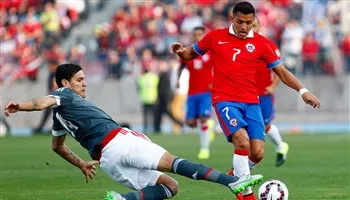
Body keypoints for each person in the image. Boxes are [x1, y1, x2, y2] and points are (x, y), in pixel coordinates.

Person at [4, 63, 263, 200]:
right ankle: (233, 182)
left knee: (170, 187)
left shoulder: (60, 117)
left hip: (108, 160)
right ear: (64, 83)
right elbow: (41, 102)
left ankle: (122, 199)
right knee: (174, 163)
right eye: (80, 80)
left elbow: (57, 147)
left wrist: (82, 163)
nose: (84, 84)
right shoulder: (63, 96)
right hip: (120, 141)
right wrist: (22, 106)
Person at [170, 2, 321, 199]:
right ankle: (246, 193)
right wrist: (181, 52)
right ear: (232, 19)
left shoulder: (261, 43)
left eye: (249, 23)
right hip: (224, 99)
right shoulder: (215, 37)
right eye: (240, 22)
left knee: (257, 153)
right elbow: (191, 53)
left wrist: (303, 91)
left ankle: (236, 173)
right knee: (242, 141)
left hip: (251, 101)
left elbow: (281, 72)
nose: (244, 27)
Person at [252, 18, 289, 167]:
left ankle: (280, 145)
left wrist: (273, 87)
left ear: (259, 26)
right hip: (246, 93)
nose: (250, 28)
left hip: (263, 93)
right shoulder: (239, 45)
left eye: (254, 25)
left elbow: (280, 70)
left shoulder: (268, 44)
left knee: (265, 125)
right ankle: (246, 165)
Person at [178, 26, 215, 160]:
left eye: (200, 34)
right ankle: (208, 127)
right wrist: (177, 80)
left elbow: (218, 67)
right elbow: (181, 65)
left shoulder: (210, 52)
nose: (197, 36)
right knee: (191, 123)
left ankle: (204, 149)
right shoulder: (189, 51)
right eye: (195, 34)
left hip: (206, 91)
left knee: (203, 119)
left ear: (204, 35)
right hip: (192, 92)